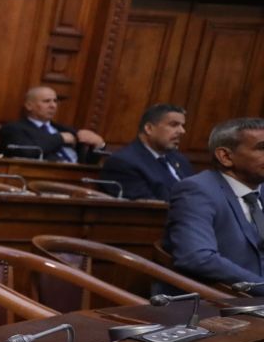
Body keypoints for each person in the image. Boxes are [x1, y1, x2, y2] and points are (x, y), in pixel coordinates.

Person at [165, 117, 264, 288]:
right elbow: (197, 258)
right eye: (262, 148)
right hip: (221, 298)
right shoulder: (197, 190)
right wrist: (260, 286)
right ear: (225, 156)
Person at [99, 103, 193, 201]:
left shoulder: (180, 160)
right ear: (149, 128)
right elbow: (148, 206)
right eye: (173, 125)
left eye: (182, 126)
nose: (182, 131)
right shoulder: (123, 163)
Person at [0, 86, 104, 164]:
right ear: (29, 106)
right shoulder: (14, 129)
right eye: (46, 101)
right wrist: (60, 138)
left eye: (55, 101)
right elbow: (26, 152)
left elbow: (87, 163)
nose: (53, 105)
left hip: (77, 177)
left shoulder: (66, 130)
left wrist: (99, 145)